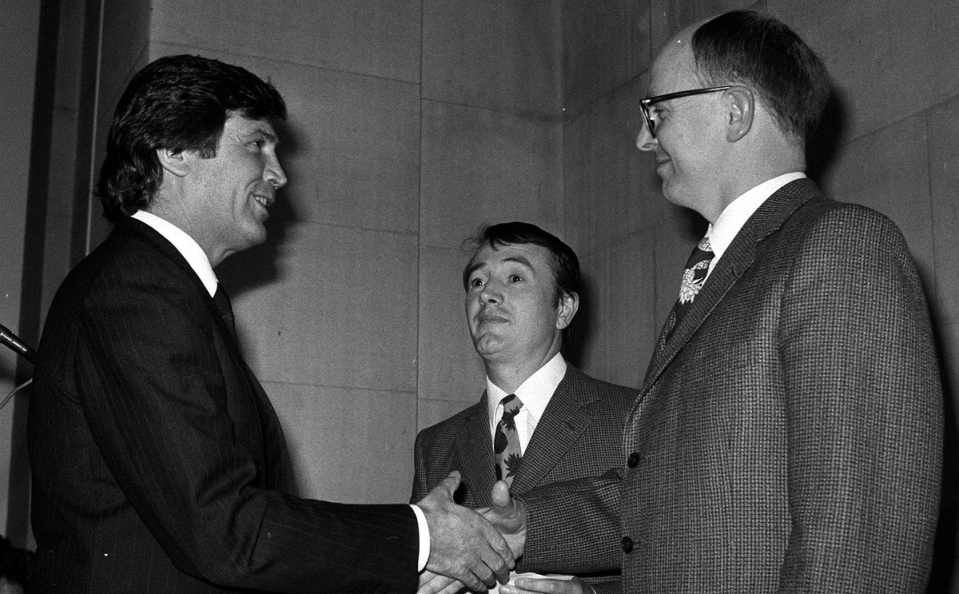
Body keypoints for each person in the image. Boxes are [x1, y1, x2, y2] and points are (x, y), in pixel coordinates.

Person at [428, 9, 945, 594]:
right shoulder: (724, 271)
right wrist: (525, 529)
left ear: (735, 110)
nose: (644, 136)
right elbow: (661, 496)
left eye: (658, 111)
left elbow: (863, 547)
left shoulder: (839, 248)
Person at [27, 54, 516, 594]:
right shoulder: (138, 292)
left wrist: (413, 565)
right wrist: (422, 538)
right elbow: (226, 535)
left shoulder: (160, 288)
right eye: (256, 144)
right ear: (175, 151)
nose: (279, 175)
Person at [410, 222, 636, 594]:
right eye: (477, 282)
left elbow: (685, 554)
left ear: (563, 308)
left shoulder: (636, 415)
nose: (487, 296)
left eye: (515, 278)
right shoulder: (434, 445)